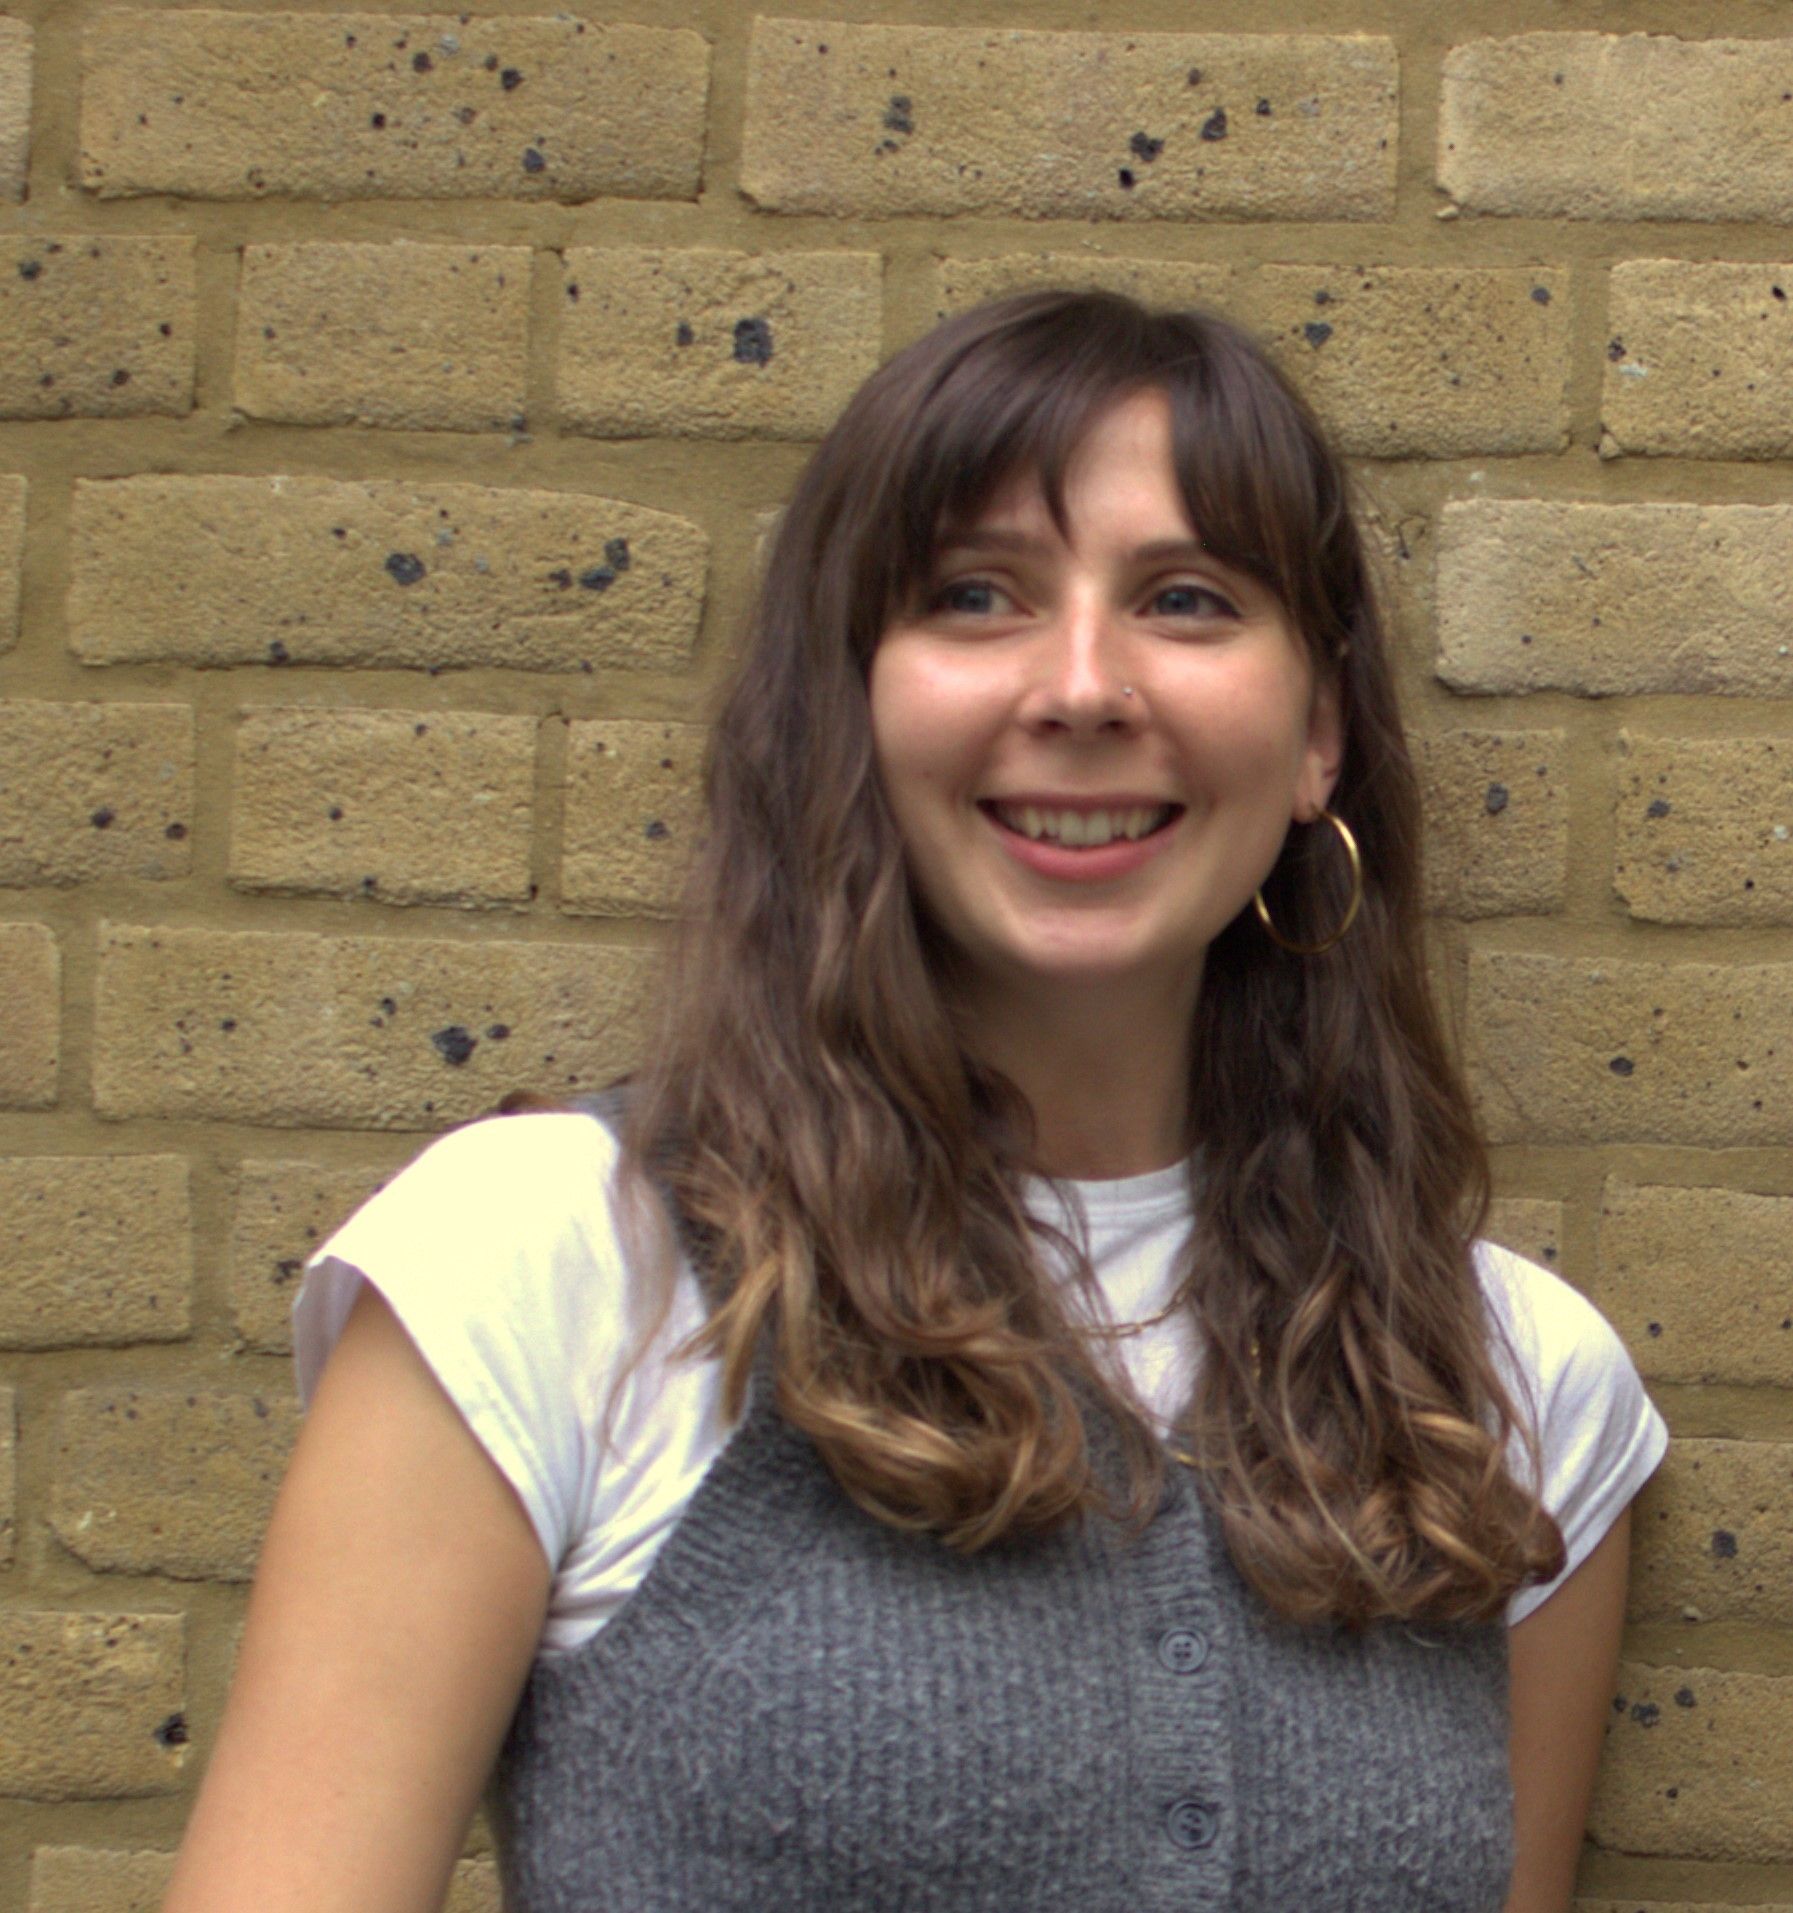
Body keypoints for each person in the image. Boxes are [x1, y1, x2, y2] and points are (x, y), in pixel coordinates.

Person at [163, 291, 1667, 1912]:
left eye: (1182, 598)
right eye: (973, 595)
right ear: (851, 700)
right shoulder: (551, 1265)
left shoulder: (1508, 1390)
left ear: (1314, 736)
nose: (1083, 686)